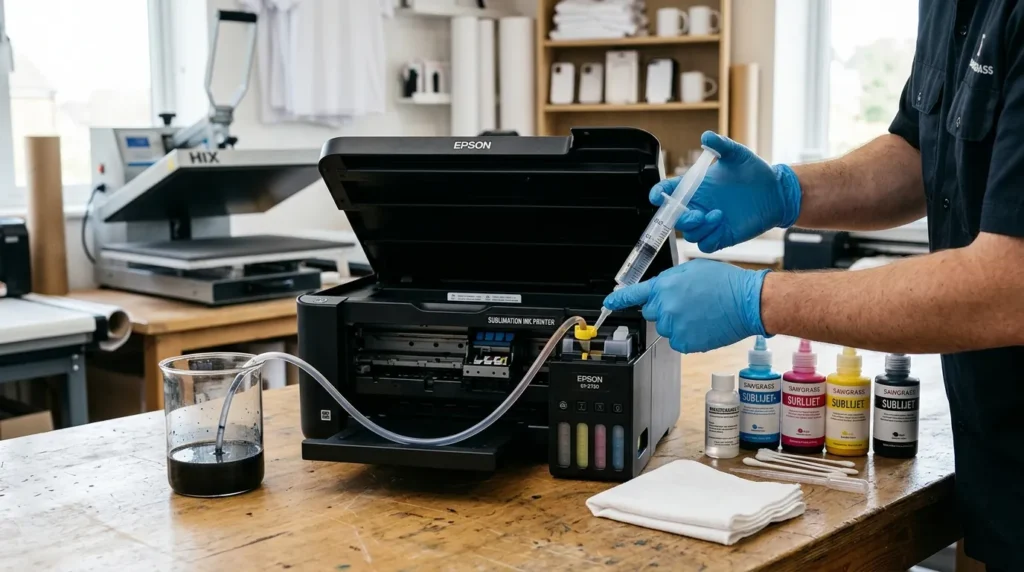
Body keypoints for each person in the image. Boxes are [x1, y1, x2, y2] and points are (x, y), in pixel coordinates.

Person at [603, 3, 1024, 570]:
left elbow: (1008, 286)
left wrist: (757, 299)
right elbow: (921, 152)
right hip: (996, 457)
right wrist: (785, 191)